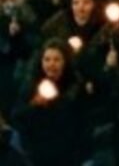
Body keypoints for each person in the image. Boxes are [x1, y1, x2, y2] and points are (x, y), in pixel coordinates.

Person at [12, 38, 90, 166]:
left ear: (65, 62)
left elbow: (83, 123)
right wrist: (34, 104)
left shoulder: (75, 87)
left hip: (68, 156)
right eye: (47, 59)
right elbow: (17, 116)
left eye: (56, 59)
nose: (51, 64)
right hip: (38, 155)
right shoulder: (31, 87)